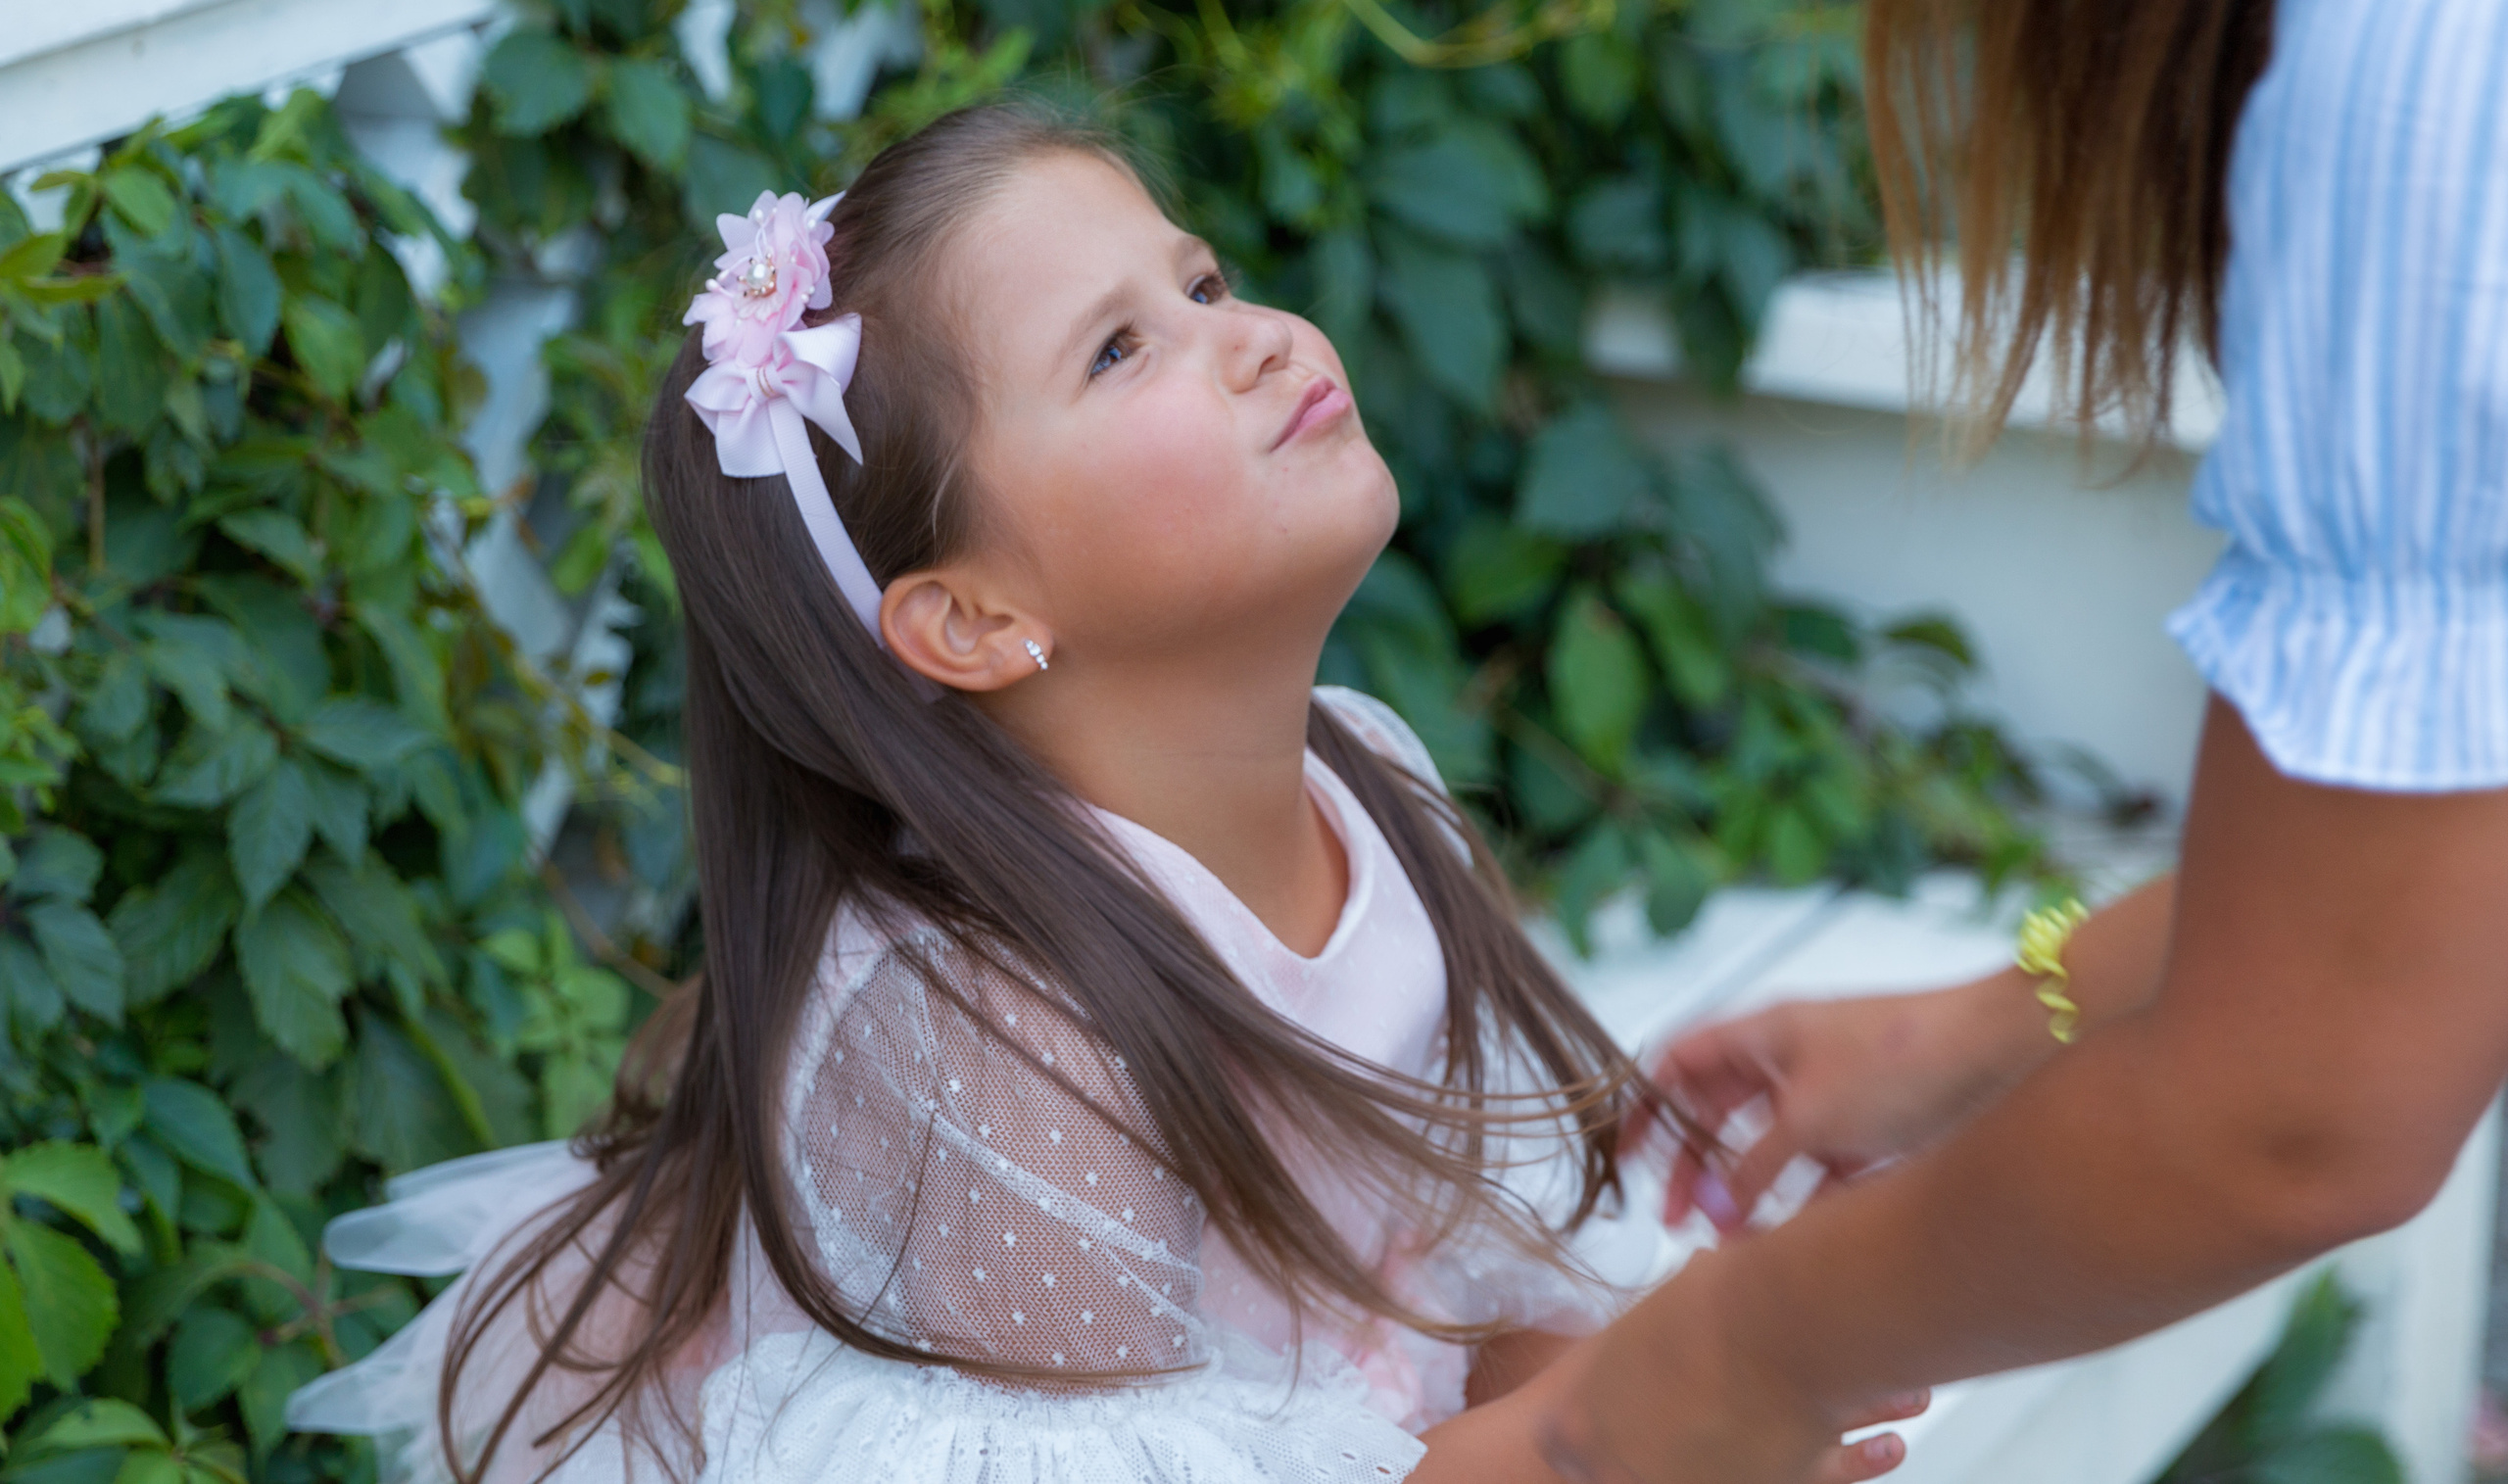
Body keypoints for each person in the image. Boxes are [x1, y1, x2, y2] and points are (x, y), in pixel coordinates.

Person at [283, 103, 1921, 1484]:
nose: (1254, 335)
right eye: (1124, 348)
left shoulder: (1376, 785)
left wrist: (1696, 1374)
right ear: (975, 618)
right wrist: (1624, 1427)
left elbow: (1448, 1291)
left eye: (1201, 279)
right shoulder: (987, 1032)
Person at [1534, 0, 2508, 1477]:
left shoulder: (2444, 0)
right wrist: (1986, 1025)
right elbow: (2415, 900)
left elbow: (2302, 1112)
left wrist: (1727, 1364)